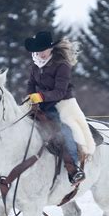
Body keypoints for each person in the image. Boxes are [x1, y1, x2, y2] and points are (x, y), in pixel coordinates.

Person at [24, 30, 93, 185]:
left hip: (60, 104)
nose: (41, 54)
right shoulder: (35, 65)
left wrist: (40, 96)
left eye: (43, 50)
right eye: (38, 51)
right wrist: (31, 97)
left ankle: (74, 168)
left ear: (50, 49)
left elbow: (60, 92)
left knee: (63, 131)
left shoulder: (62, 65)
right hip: (39, 104)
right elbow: (31, 85)